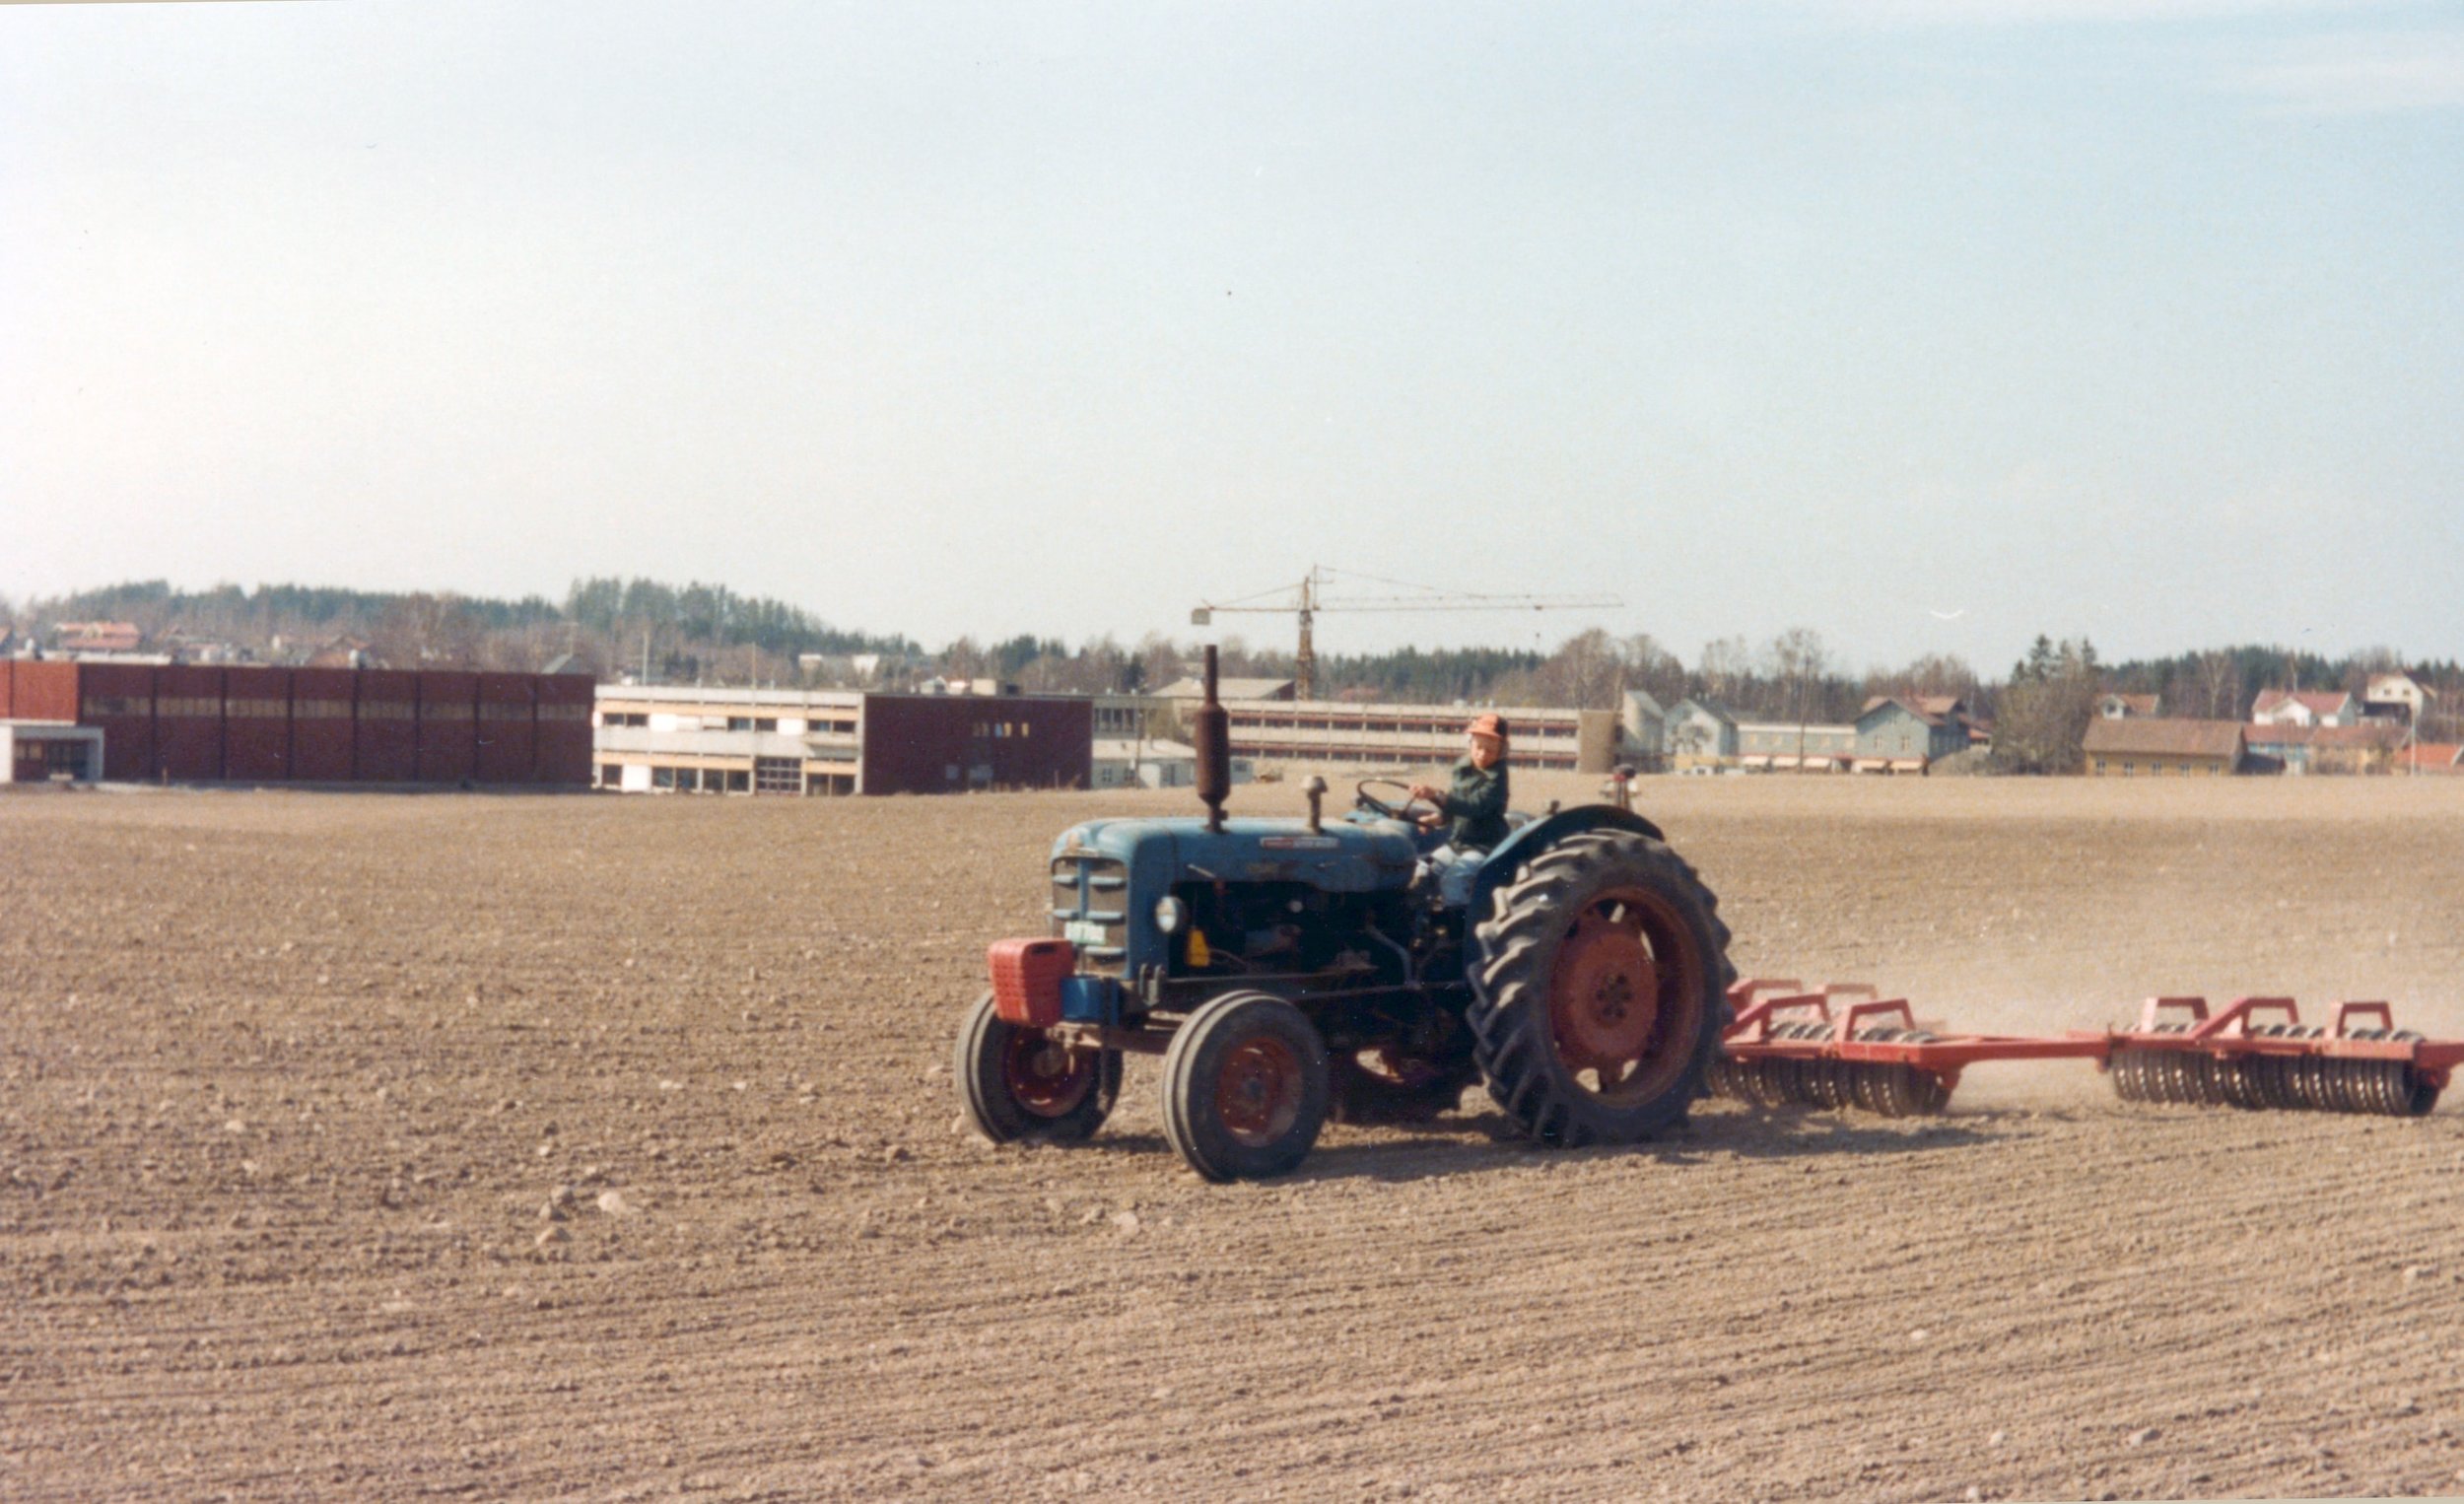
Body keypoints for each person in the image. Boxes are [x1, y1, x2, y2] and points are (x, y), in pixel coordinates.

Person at [1409, 715, 1510, 906]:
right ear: (1470, 744)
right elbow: (1455, 804)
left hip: (1483, 847)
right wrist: (1438, 819)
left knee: (1453, 881)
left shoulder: (1497, 779)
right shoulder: (1463, 769)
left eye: (1490, 750)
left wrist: (1435, 795)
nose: (1482, 754)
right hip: (1457, 844)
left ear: (1501, 751)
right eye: (1478, 748)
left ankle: (1456, 932)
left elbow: (1474, 806)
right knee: (1421, 869)